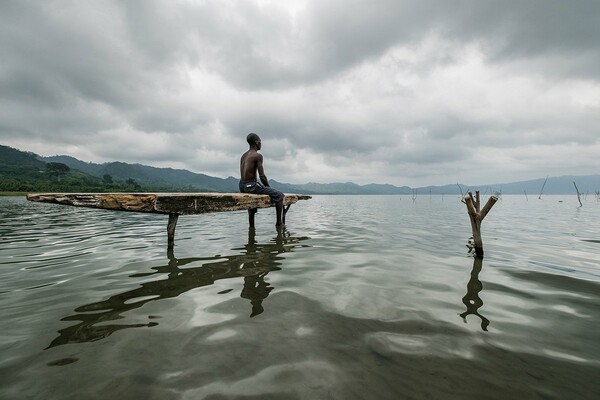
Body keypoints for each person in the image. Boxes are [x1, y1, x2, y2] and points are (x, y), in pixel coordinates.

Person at [239, 133, 285, 226]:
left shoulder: (243, 155)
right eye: (260, 141)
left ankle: (251, 227)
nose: (261, 143)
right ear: (256, 142)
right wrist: (269, 188)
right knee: (280, 196)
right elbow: (262, 176)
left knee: (251, 203)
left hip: (242, 186)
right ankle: (279, 223)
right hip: (251, 186)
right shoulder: (257, 156)